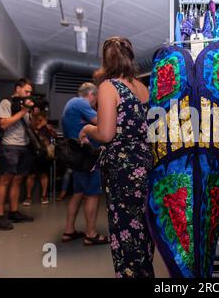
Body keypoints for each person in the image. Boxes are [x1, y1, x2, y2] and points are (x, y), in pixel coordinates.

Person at [80, 36, 154, 278]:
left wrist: (88, 129)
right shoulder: (144, 88)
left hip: (123, 171)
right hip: (145, 165)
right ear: (130, 58)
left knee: (125, 232)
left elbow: (105, 132)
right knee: (143, 230)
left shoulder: (109, 87)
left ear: (106, 60)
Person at [61, 82, 108, 245]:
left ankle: (69, 231)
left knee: (78, 194)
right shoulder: (81, 103)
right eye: (96, 100)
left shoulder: (70, 104)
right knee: (92, 195)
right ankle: (91, 234)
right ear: (92, 95)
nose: (95, 104)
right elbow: (101, 123)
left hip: (76, 158)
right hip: (87, 158)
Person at [0, 78, 35, 230]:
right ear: (18, 88)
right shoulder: (6, 103)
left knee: (18, 180)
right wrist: (23, 111)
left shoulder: (25, 106)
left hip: (24, 146)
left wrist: (31, 112)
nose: (29, 94)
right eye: (26, 91)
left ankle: (13, 211)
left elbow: (30, 126)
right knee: (5, 180)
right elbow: (3, 124)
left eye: (30, 92)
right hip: (10, 146)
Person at [24, 110, 57, 206]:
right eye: (38, 119)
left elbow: (54, 136)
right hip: (33, 152)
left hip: (44, 153)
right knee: (31, 175)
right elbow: (32, 133)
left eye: (42, 119)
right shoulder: (32, 126)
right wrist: (40, 125)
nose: (40, 121)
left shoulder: (46, 127)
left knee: (44, 174)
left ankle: (44, 196)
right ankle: (28, 197)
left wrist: (49, 128)